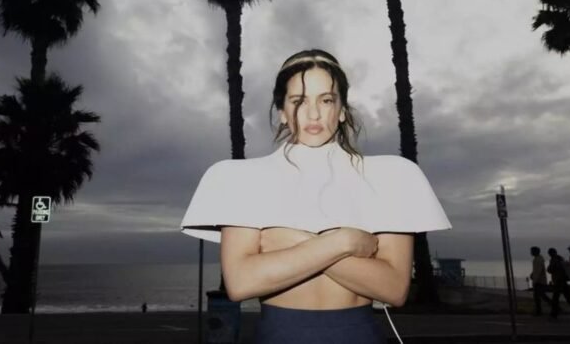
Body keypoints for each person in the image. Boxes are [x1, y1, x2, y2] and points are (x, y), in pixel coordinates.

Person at [179, 49, 452, 343]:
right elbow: (241, 283)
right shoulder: (240, 178)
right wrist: (342, 242)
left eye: (326, 100)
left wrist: (291, 243)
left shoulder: (392, 176)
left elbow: (394, 289)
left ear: (342, 109)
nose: (313, 113)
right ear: (282, 111)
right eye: (299, 101)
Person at [547, 248, 570, 320]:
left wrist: (550, 267)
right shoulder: (560, 259)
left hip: (559, 281)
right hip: (562, 281)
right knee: (568, 298)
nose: (550, 254)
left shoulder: (555, 260)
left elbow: (550, 269)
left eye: (550, 253)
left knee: (556, 299)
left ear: (552, 253)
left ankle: (554, 315)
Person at [529, 246, 552, 315]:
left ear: (536, 251)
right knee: (541, 296)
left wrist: (535, 280)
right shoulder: (537, 259)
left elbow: (538, 271)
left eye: (532, 251)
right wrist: (532, 274)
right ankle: (540, 310)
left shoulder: (538, 260)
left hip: (539, 282)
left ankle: (539, 311)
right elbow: (536, 270)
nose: (531, 252)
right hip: (539, 281)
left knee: (538, 297)